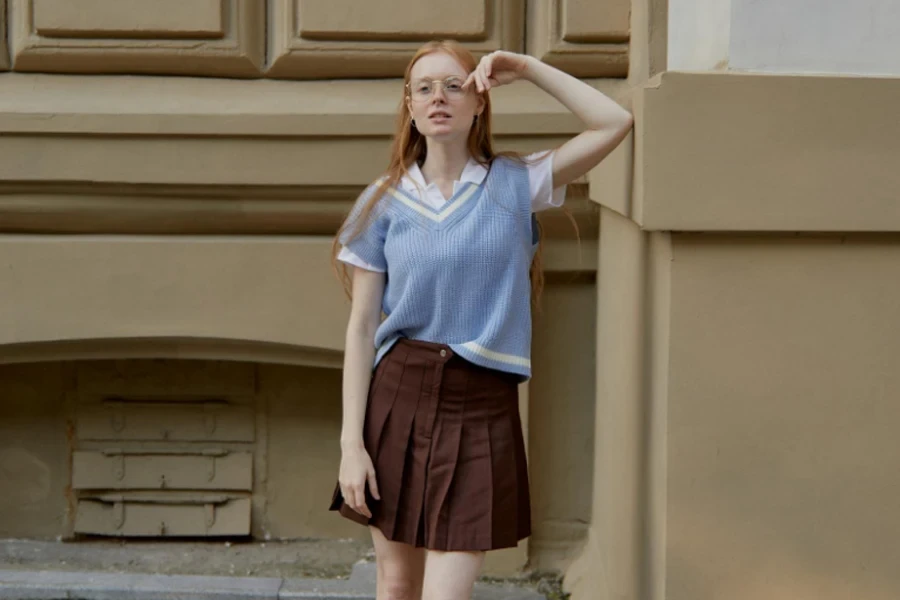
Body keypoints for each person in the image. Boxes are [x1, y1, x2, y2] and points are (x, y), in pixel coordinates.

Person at [329, 40, 633, 600]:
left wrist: (528, 68)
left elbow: (614, 122)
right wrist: (353, 445)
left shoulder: (517, 183)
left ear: (479, 102)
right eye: (424, 88)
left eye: (454, 85)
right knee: (396, 585)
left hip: (481, 401)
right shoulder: (383, 203)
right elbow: (361, 328)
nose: (438, 98)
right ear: (410, 106)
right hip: (398, 397)